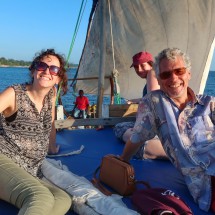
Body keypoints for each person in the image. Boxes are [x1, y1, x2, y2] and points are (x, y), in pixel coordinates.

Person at [120, 47, 215, 212]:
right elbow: (137, 137)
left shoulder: (209, 103)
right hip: (209, 185)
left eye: (179, 71)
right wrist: (122, 161)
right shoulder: (154, 103)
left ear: (189, 74)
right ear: (159, 78)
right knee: (121, 129)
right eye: (165, 74)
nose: (174, 78)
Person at [0, 49, 71, 215]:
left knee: (63, 198)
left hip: (28, 168)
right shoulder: (15, 94)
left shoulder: (51, 95)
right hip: (4, 159)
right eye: (42, 66)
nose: (47, 71)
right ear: (33, 70)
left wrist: (52, 147)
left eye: (54, 69)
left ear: (59, 78)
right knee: (41, 197)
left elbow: (51, 123)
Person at [114, 51, 168, 159]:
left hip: (157, 124)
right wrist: (137, 100)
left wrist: (141, 127)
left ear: (151, 64)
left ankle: (164, 151)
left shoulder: (152, 73)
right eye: (136, 67)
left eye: (143, 65)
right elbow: (154, 95)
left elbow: (154, 102)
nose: (139, 69)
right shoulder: (157, 74)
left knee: (120, 128)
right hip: (163, 123)